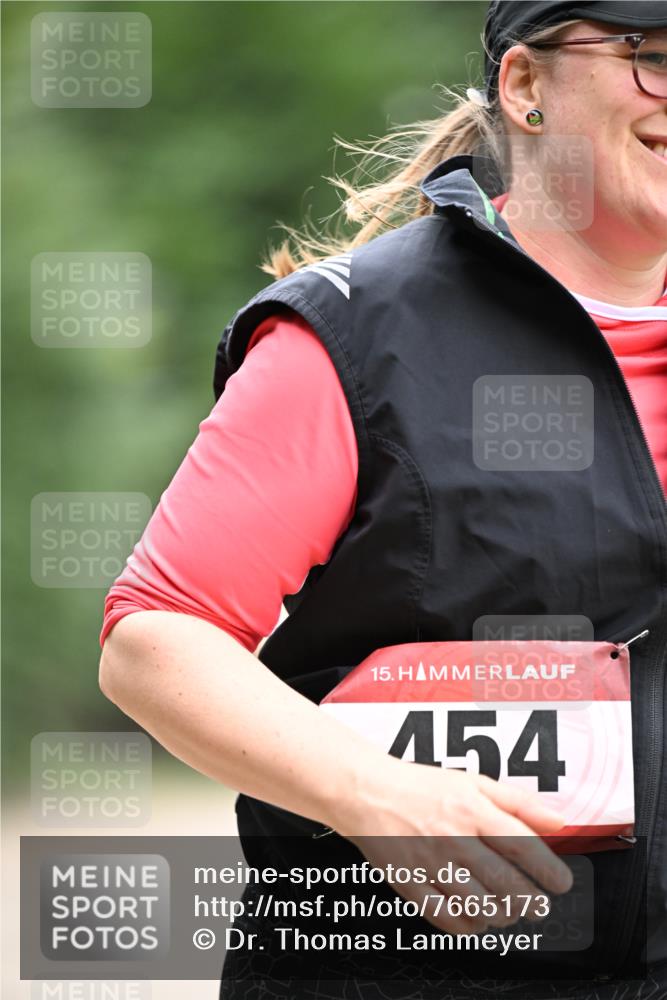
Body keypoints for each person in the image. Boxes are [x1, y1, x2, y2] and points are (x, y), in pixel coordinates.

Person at [98, 1, 667, 997]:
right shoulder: (355, 336)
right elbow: (155, 639)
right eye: (649, 56)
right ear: (525, 86)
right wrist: (371, 793)